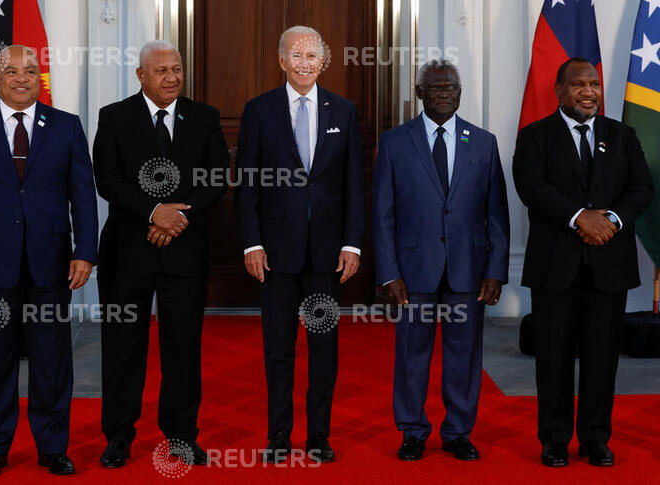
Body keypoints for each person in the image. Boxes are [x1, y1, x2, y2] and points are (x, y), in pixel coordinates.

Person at [0, 45, 98, 477]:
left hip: (52, 264)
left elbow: (82, 197)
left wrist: (85, 251)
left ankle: (52, 447)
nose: (22, 78)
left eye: (31, 70)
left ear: (39, 77)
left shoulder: (66, 127)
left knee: (52, 360)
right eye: (12, 71)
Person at [93, 40, 228, 468]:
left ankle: (182, 436)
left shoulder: (203, 117)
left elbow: (217, 176)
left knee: (183, 351)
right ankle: (118, 437)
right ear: (141, 76)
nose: (172, 77)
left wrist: (176, 218)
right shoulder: (114, 117)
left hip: (184, 254)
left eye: (177, 69)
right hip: (127, 254)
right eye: (162, 71)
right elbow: (107, 180)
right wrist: (154, 212)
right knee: (122, 349)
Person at [513, 57, 653, 467]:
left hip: (609, 266)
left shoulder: (622, 135)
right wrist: (580, 218)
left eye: (594, 83)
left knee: (602, 358)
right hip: (555, 267)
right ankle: (554, 440)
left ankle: (595, 438)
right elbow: (531, 187)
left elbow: (641, 186)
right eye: (578, 84)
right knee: (553, 358)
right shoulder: (535, 136)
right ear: (559, 90)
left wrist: (611, 219)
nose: (588, 91)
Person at [235, 25, 365, 463]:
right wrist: (252, 243)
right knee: (279, 349)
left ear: (323, 60)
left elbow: (354, 186)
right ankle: (277, 437)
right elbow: (247, 185)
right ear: (282, 61)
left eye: (314, 55)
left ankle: (318, 437)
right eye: (298, 55)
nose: (306, 62)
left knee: (324, 349)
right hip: (275, 255)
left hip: (328, 257)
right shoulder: (258, 111)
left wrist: (353, 244)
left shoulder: (344, 111)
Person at [373, 59, 510, 462]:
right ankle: (412, 430)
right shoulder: (395, 142)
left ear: (460, 91)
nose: (445, 93)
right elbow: (382, 215)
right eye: (436, 88)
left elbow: (497, 214)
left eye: (451, 86)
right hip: (412, 272)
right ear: (420, 94)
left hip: (468, 270)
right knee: (412, 355)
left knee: (464, 355)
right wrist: (389, 272)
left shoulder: (483, 142)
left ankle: (457, 432)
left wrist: (496, 270)